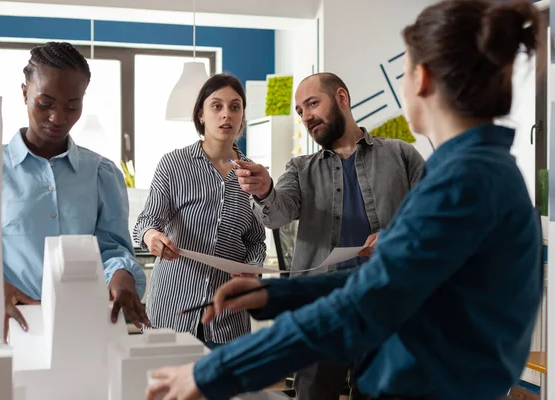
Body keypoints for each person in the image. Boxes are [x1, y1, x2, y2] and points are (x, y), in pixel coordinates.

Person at [144, 1, 543, 399]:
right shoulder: (477, 171)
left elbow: (371, 298)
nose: (305, 116)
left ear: (420, 78)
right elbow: (382, 279)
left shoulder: (462, 182)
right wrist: (276, 294)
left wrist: (214, 372)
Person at [234, 70, 425, 400]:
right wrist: (265, 190)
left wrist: (395, 237)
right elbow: (277, 214)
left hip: (385, 305)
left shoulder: (402, 155)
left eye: (312, 104)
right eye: (300, 111)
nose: (306, 116)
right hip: (322, 310)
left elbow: (429, 218)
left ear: (341, 98)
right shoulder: (300, 168)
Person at [2, 42, 148, 340]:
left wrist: (122, 278)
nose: (58, 118)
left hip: (84, 330)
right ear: (24, 93)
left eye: (72, 106)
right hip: (7, 328)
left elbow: (113, 248)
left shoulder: (100, 174)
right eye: (45, 103)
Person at [133, 73, 266, 349]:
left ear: (242, 115)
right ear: (201, 115)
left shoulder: (253, 174)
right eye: (216, 106)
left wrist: (252, 269)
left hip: (228, 316)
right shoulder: (173, 164)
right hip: (172, 310)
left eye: (235, 106)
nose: (226, 115)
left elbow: (256, 240)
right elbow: (146, 222)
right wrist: (151, 236)